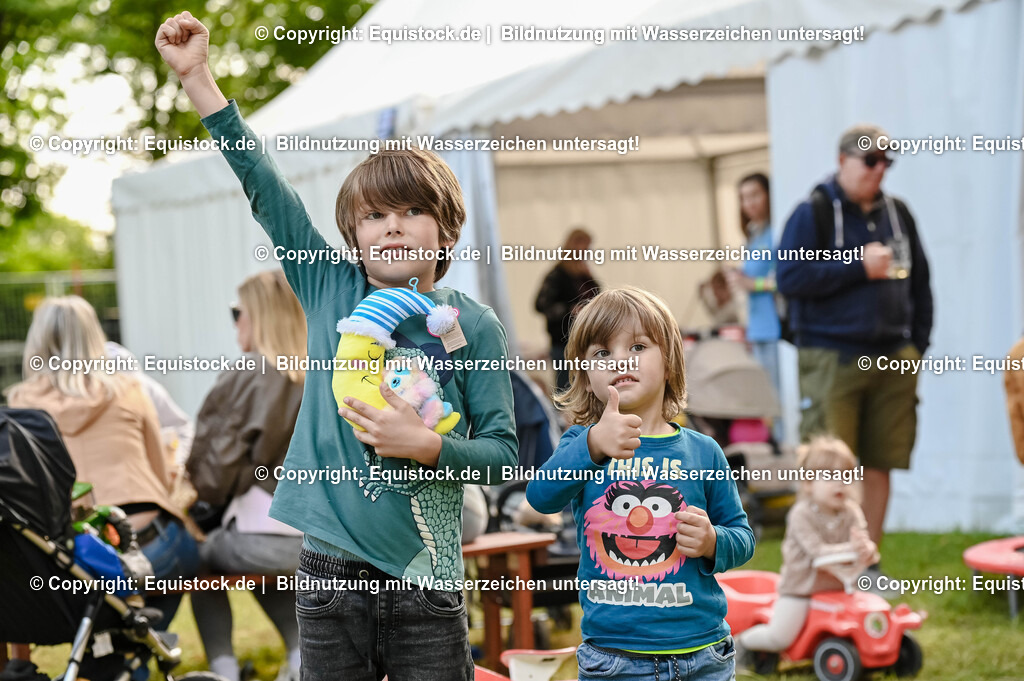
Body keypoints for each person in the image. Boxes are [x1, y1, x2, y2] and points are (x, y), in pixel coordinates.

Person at [156, 13, 517, 681]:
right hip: (326, 573)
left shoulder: (475, 324)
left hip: (426, 578)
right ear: (352, 234)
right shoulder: (328, 285)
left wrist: (432, 445)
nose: (391, 227)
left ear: (446, 227)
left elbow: (502, 451)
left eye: (409, 211)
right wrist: (198, 79)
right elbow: (264, 185)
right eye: (373, 215)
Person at [525, 286, 754, 681]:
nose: (619, 361)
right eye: (602, 353)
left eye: (637, 347)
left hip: (703, 655)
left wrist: (713, 541)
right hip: (613, 660)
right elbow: (541, 497)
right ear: (584, 373)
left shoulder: (703, 451)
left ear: (669, 362)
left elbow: (743, 537)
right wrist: (595, 443)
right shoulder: (582, 445)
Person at [776, 124, 933, 570]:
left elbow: (922, 282)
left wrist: (917, 345)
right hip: (832, 356)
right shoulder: (815, 211)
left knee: (880, 463)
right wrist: (856, 265)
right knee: (828, 467)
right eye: (870, 160)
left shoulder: (898, 211)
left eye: (887, 161)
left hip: (894, 355)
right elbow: (789, 278)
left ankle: (865, 562)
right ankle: (820, 563)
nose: (879, 169)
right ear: (843, 160)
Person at [5, 296, 199, 631]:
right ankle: (140, 643)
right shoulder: (131, 388)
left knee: (103, 599)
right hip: (147, 544)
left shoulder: (19, 404)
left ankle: (120, 650)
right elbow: (161, 472)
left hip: (68, 559)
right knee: (187, 556)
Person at [185, 270, 305, 681]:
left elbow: (212, 478)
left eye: (239, 311)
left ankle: (223, 669)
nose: (235, 321)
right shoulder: (331, 367)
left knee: (201, 555)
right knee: (260, 559)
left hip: (267, 536)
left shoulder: (248, 373)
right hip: (332, 535)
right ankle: (299, 657)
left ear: (261, 315)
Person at [733, 436, 878, 667]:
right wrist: (851, 549)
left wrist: (866, 549)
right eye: (830, 476)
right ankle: (741, 645)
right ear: (809, 483)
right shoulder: (801, 515)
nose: (840, 483)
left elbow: (864, 545)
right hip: (800, 590)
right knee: (780, 636)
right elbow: (817, 552)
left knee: (867, 612)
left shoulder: (851, 512)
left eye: (846, 476)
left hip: (838, 589)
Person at [726, 173, 781, 393]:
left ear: (769, 195)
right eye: (743, 198)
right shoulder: (753, 234)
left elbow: (785, 279)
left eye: (755, 195)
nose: (749, 203)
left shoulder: (775, 232)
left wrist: (752, 284)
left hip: (776, 328)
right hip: (757, 328)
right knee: (766, 400)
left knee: (778, 399)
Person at [534, 228, 601, 392]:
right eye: (584, 247)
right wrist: (570, 309)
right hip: (564, 342)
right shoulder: (557, 275)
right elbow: (541, 305)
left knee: (588, 388)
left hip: (586, 340)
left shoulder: (584, 274)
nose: (586, 252)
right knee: (566, 387)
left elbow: (599, 296)